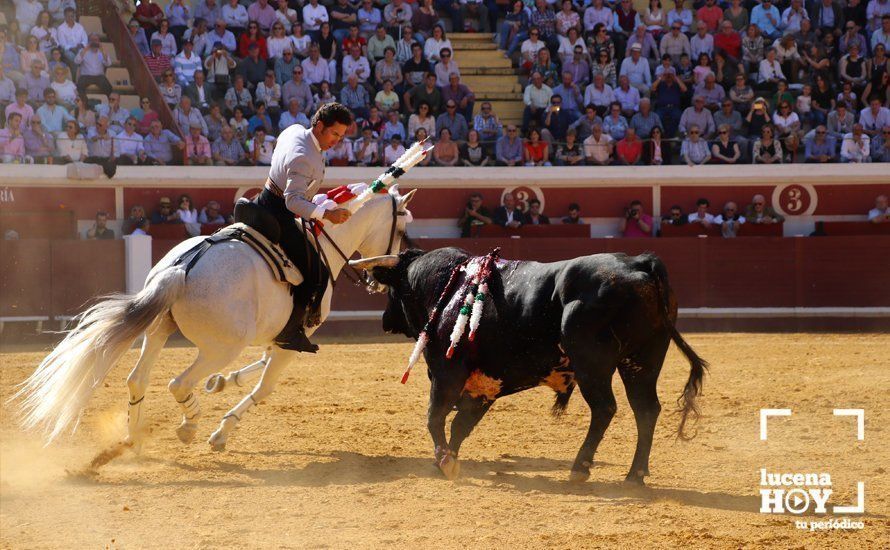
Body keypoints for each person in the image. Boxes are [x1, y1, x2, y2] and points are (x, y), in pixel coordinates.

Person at [257, 103, 353, 351]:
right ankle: (289, 332)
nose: (337, 141)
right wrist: (326, 214)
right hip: (279, 213)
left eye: (341, 136)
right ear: (319, 126)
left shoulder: (294, 130)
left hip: (264, 198)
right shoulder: (304, 156)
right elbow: (292, 201)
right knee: (316, 274)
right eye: (334, 134)